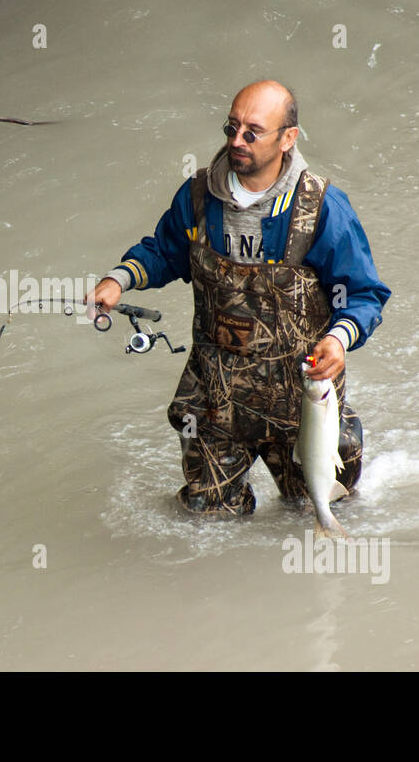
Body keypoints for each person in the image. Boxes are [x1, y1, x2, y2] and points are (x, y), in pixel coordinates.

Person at [86, 80, 390, 516]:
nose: (236, 141)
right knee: (206, 523)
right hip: (216, 397)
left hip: (301, 399)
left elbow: (363, 293)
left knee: (319, 511)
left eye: (252, 132)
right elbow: (164, 251)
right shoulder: (197, 196)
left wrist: (339, 340)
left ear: (288, 138)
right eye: (231, 128)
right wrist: (119, 280)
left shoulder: (321, 207)